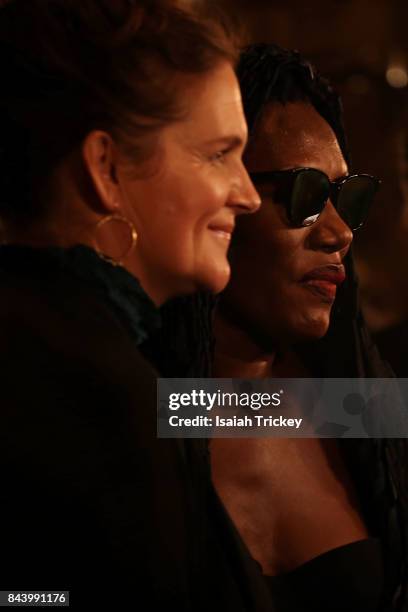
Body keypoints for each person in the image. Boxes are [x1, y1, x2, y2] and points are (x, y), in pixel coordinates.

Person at [0, 1, 262, 609]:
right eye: (220, 153)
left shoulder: (77, 350)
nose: (247, 194)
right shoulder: (95, 394)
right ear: (107, 168)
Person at [210, 44, 408, 612]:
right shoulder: (141, 407)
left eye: (348, 197)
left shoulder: (354, 402)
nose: (339, 231)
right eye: (306, 196)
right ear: (220, 200)